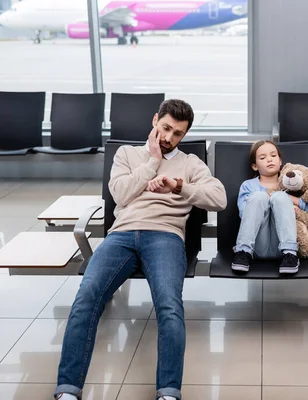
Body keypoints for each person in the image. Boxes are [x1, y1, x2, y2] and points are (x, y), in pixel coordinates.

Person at [54, 99, 227, 400]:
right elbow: (119, 193)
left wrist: (178, 186)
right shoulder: (127, 154)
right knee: (86, 298)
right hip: (121, 234)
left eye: (178, 134)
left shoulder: (190, 164)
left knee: (169, 306)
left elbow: (219, 198)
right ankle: (68, 389)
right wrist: (152, 163)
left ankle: (169, 392)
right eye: (166, 128)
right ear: (155, 120)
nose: (170, 138)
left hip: (166, 236)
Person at [231, 140, 308, 274]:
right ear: (255, 166)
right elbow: (245, 214)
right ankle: (243, 251)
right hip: (257, 245)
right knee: (259, 197)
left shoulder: (292, 183)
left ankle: (290, 254)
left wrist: (290, 201)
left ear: (280, 162)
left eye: (273, 156)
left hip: (284, 245)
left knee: (280, 197)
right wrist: (266, 201)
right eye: (263, 157)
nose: (269, 160)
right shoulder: (248, 186)